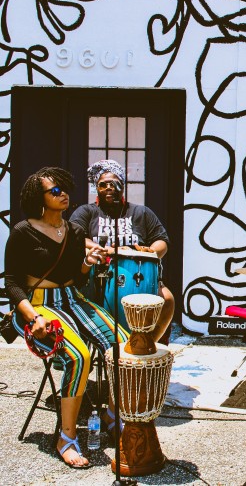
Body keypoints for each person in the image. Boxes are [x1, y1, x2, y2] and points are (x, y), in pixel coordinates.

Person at [5, 167, 129, 468]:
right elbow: (11, 282)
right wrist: (33, 317)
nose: (63, 194)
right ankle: (67, 437)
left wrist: (87, 262)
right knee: (79, 355)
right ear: (40, 198)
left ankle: (113, 416)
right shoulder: (23, 231)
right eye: (55, 191)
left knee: (123, 346)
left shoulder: (73, 231)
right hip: (37, 305)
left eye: (64, 188)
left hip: (73, 298)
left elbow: (76, 275)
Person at [69, 160, 174, 343]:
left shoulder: (141, 212)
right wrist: (109, 250)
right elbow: (74, 237)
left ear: (123, 186)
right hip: (95, 277)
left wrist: (149, 251)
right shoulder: (86, 212)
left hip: (136, 276)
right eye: (103, 184)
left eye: (115, 183)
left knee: (167, 300)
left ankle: (145, 345)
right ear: (97, 189)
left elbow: (162, 241)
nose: (109, 187)